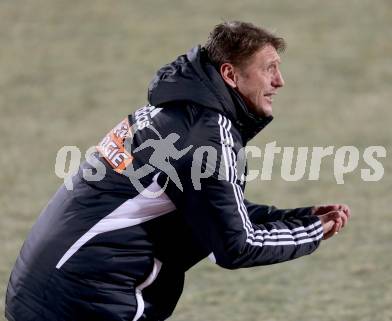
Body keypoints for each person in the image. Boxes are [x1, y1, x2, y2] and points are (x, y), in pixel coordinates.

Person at [5, 21, 351, 321]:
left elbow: (212, 211)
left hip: (40, 291)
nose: (280, 81)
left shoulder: (173, 113)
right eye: (269, 68)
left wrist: (297, 216)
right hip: (87, 301)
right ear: (230, 74)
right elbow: (236, 246)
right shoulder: (206, 138)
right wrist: (313, 231)